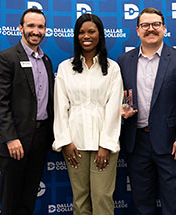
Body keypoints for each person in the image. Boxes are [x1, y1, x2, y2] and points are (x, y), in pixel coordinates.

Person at [117, 7, 176, 215]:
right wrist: (124, 109)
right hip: (136, 141)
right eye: (145, 25)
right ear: (137, 30)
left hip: (171, 142)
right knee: (142, 203)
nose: (150, 29)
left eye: (155, 24)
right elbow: (125, 95)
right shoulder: (124, 61)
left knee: (173, 202)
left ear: (164, 28)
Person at [52, 14, 123, 215]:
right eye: (81, 32)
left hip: (104, 146)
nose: (86, 36)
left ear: (100, 34)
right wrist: (65, 142)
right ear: (76, 36)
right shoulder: (65, 68)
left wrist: (106, 145)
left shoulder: (112, 68)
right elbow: (60, 107)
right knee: (80, 200)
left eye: (91, 31)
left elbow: (114, 108)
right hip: (75, 145)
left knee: (102, 198)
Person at [0, 8, 54, 215]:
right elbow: (0, 102)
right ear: (21, 28)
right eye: (31, 26)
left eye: (40, 27)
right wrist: (10, 138)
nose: (36, 31)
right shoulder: (6, 58)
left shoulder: (46, 61)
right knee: (11, 200)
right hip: (15, 142)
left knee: (28, 198)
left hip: (40, 138)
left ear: (45, 30)